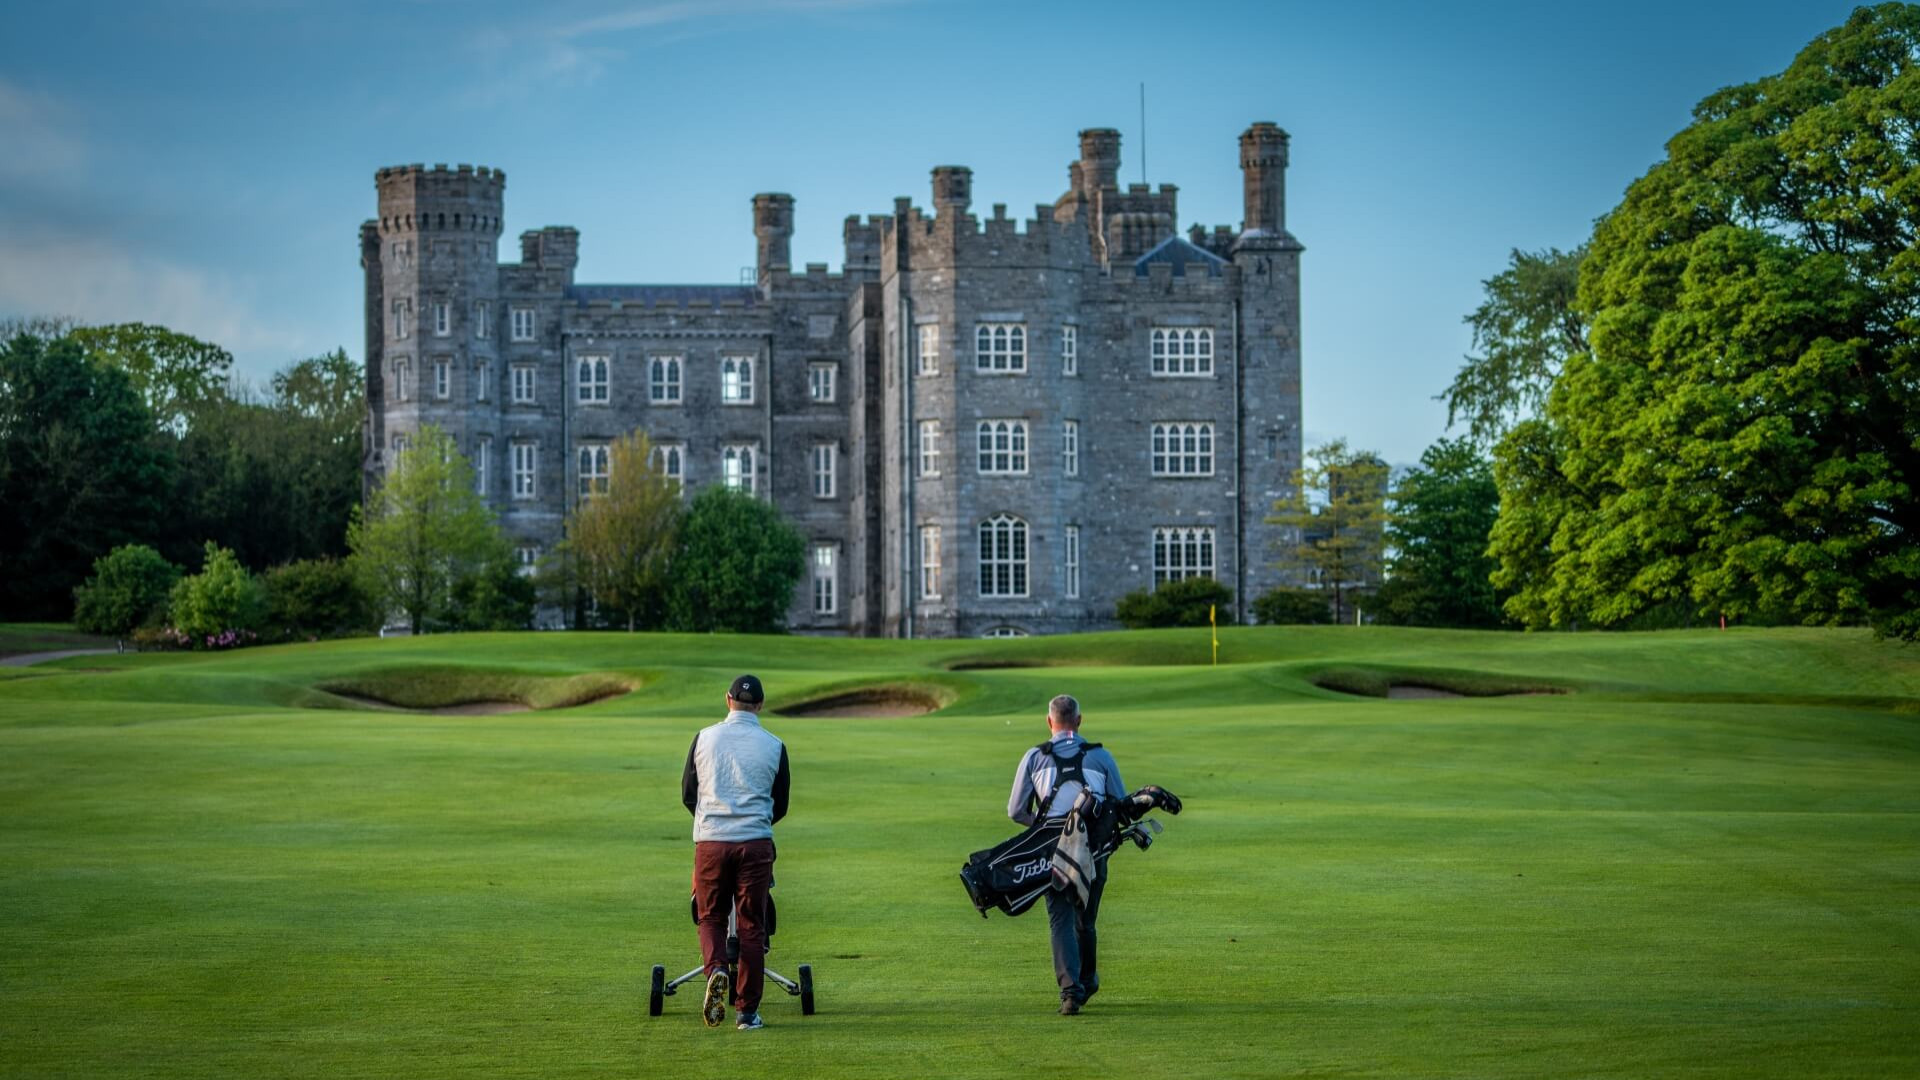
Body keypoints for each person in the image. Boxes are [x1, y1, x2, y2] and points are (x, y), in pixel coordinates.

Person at [681, 673, 790, 1031]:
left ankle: (716, 972)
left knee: (711, 916)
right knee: (751, 927)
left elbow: (688, 794)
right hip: (755, 843)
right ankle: (747, 1013)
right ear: (759, 705)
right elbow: (781, 804)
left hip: (711, 842)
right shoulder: (774, 745)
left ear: (727, 699)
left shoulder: (704, 738)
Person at [1007, 693, 1125, 1015]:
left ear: (1049, 722)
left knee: (1059, 919)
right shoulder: (1101, 757)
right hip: (1093, 853)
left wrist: (1045, 827)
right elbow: (1120, 807)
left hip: (1054, 854)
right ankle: (1087, 980)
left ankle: (1070, 992)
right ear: (1079, 721)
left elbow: (1016, 811)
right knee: (1085, 921)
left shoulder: (1034, 757)